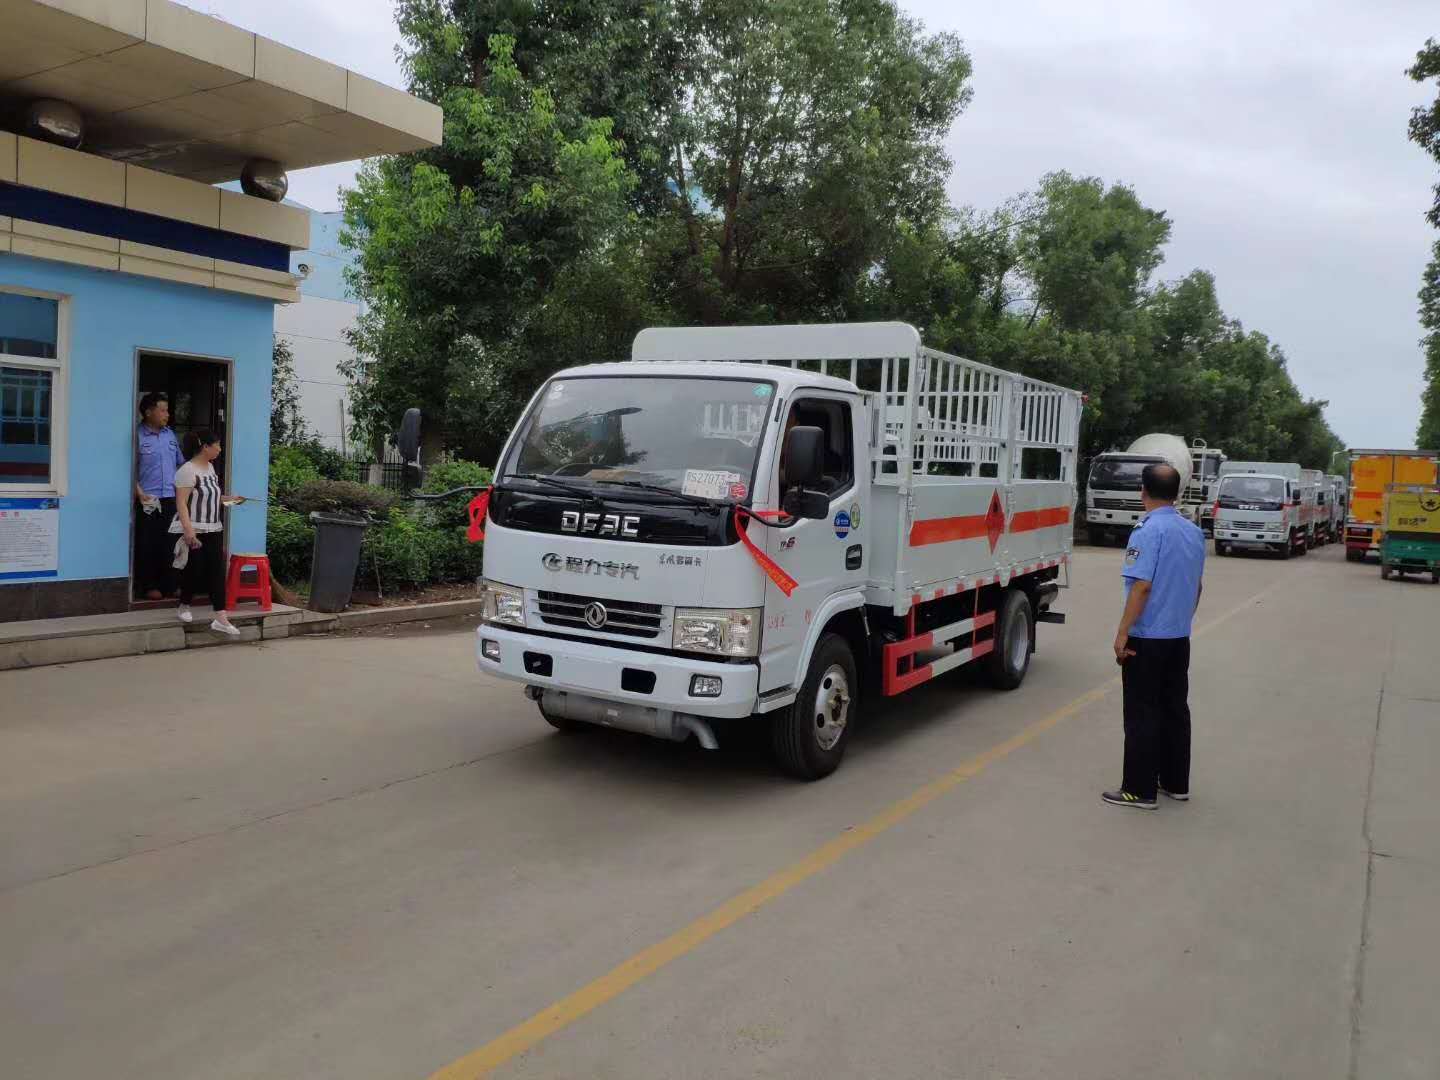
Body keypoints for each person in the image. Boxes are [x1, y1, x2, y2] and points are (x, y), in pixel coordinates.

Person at [1103, 462, 1206, 810]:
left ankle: (1138, 789)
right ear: (1176, 493)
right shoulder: (1193, 532)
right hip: (1178, 637)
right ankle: (1175, 782)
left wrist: (1122, 633)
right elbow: (1197, 587)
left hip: (1147, 639)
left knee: (1141, 711)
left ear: (1142, 491)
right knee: (1175, 708)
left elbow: (1142, 586)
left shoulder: (1146, 531)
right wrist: (1179, 620)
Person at [170, 430, 246, 636]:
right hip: (195, 528)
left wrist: (233, 500)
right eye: (218, 445)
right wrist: (188, 531)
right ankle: (184, 605)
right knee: (194, 570)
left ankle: (221, 618)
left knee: (216, 572)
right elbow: (181, 504)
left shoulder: (210, 468)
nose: (220, 449)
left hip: (213, 527)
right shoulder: (187, 471)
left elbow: (214, 498)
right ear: (205, 447)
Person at [134, 392, 185, 600]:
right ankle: (149, 586)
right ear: (148, 412)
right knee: (148, 543)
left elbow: (180, 464)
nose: (167, 414)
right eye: (162, 410)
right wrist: (138, 492)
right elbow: (128, 468)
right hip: (148, 500)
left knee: (171, 543)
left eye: (167, 410)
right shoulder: (137, 435)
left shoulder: (170, 435)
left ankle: (170, 585)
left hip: (170, 498)